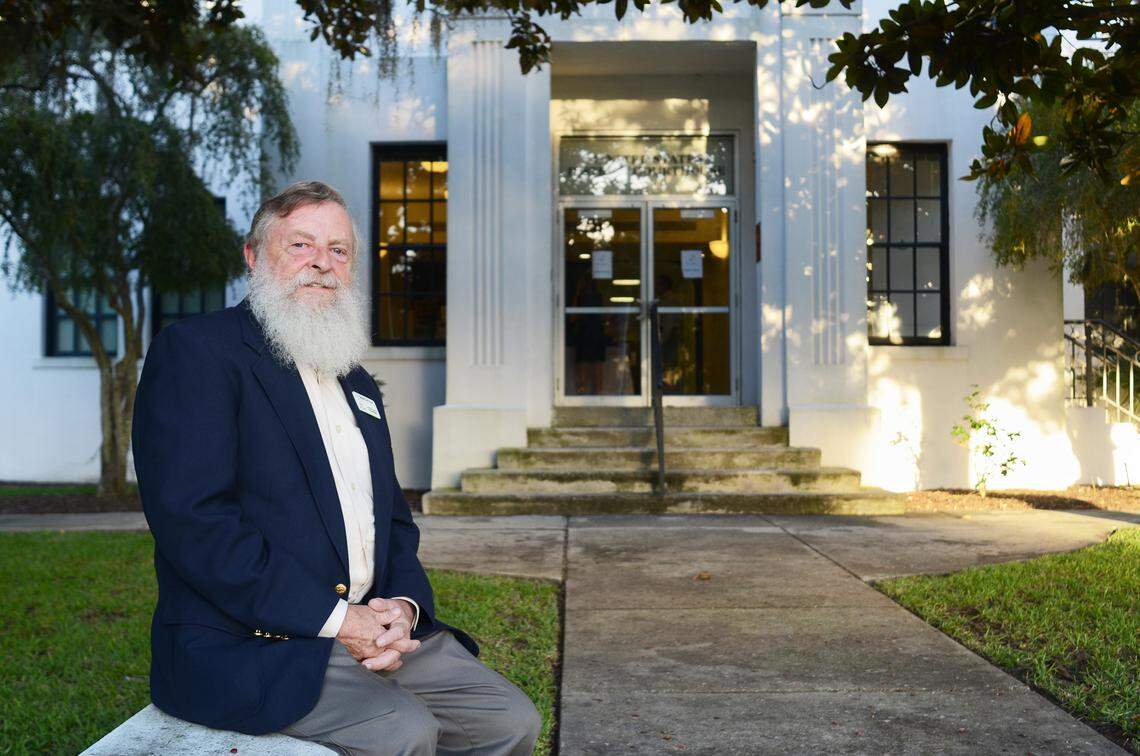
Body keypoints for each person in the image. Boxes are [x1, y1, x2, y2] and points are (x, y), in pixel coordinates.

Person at [131, 180, 542, 755]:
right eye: (301, 245)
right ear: (253, 256)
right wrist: (339, 620)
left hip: (369, 626)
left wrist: (402, 608)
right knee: (404, 731)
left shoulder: (355, 379)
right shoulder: (198, 352)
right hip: (253, 641)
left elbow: (392, 520)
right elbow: (195, 525)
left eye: (339, 250)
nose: (322, 263)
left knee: (509, 720)